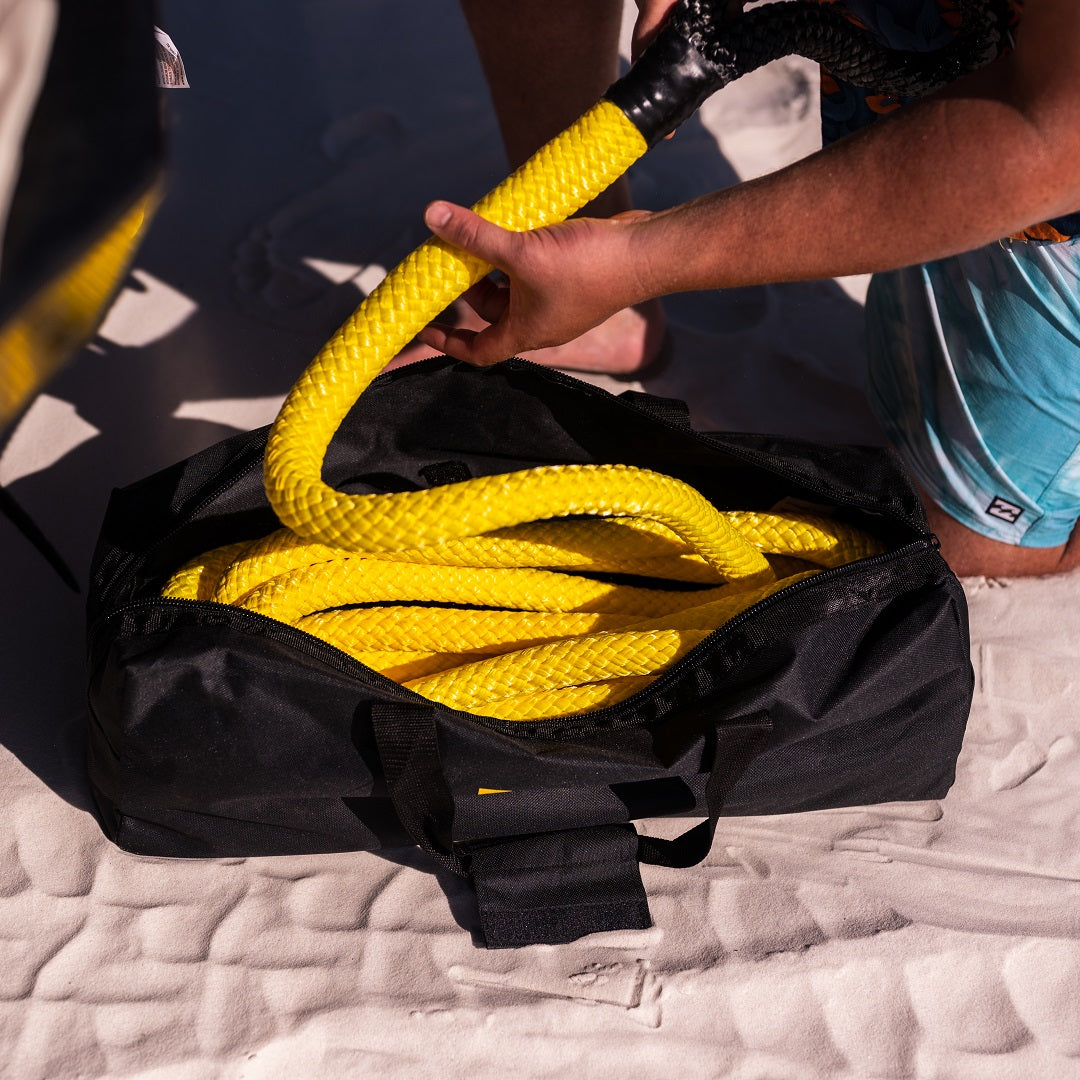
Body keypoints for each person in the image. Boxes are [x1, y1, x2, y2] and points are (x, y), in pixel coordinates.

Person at [417, 0, 1080, 578]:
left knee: (968, 532)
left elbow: (1054, 138)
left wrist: (637, 260)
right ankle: (590, 300)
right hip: (957, 40)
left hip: (1051, 151)